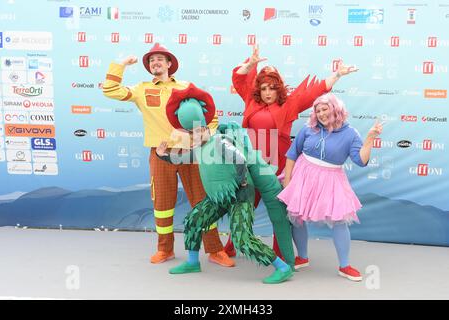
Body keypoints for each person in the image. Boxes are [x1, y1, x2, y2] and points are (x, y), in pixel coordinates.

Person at [102, 43, 234, 267]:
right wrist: (121, 64)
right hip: (160, 154)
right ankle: (165, 249)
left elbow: (210, 114)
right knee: (162, 204)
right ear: (149, 66)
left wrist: (206, 133)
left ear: (169, 64)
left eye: (160, 59)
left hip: (191, 153)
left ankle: (214, 250)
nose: (156, 63)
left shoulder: (186, 86)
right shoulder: (141, 89)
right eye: (152, 60)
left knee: (202, 203)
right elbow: (109, 90)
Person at [225, 44, 358, 264]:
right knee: (243, 206)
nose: (268, 92)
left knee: (279, 212)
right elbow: (238, 80)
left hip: (277, 166)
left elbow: (314, 92)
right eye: (264, 88)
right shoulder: (251, 99)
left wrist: (336, 75)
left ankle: (282, 254)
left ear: (279, 89)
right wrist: (248, 66)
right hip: (250, 164)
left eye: (272, 88)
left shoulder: (289, 104)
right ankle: (231, 245)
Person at [156, 83, 294, 283]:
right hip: (217, 198)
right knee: (194, 221)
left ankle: (282, 267)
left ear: (205, 127)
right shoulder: (199, 149)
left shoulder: (220, 141)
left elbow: (240, 159)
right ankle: (193, 262)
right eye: (191, 133)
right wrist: (163, 155)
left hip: (239, 196)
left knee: (242, 239)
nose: (195, 136)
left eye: (198, 130)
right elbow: (179, 159)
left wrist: (242, 182)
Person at [277, 93, 383, 281]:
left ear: (335, 109)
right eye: (318, 111)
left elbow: (361, 160)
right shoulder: (308, 129)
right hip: (303, 175)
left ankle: (345, 265)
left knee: (340, 221)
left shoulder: (351, 134)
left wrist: (369, 139)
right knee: (296, 217)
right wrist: (288, 183)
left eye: (325, 109)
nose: (321, 114)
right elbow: (292, 154)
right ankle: (302, 256)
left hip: (331, 179)